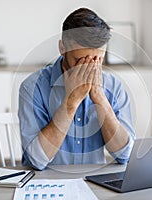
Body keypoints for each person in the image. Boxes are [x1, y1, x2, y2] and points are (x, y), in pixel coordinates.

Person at [18, 7, 136, 170]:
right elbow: (36, 161)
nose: (88, 67)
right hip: (48, 182)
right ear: (62, 48)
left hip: (93, 182)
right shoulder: (32, 88)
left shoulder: (113, 86)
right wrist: (71, 100)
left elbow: (125, 155)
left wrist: (99, 96)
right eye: (79, 60)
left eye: (96, 60)